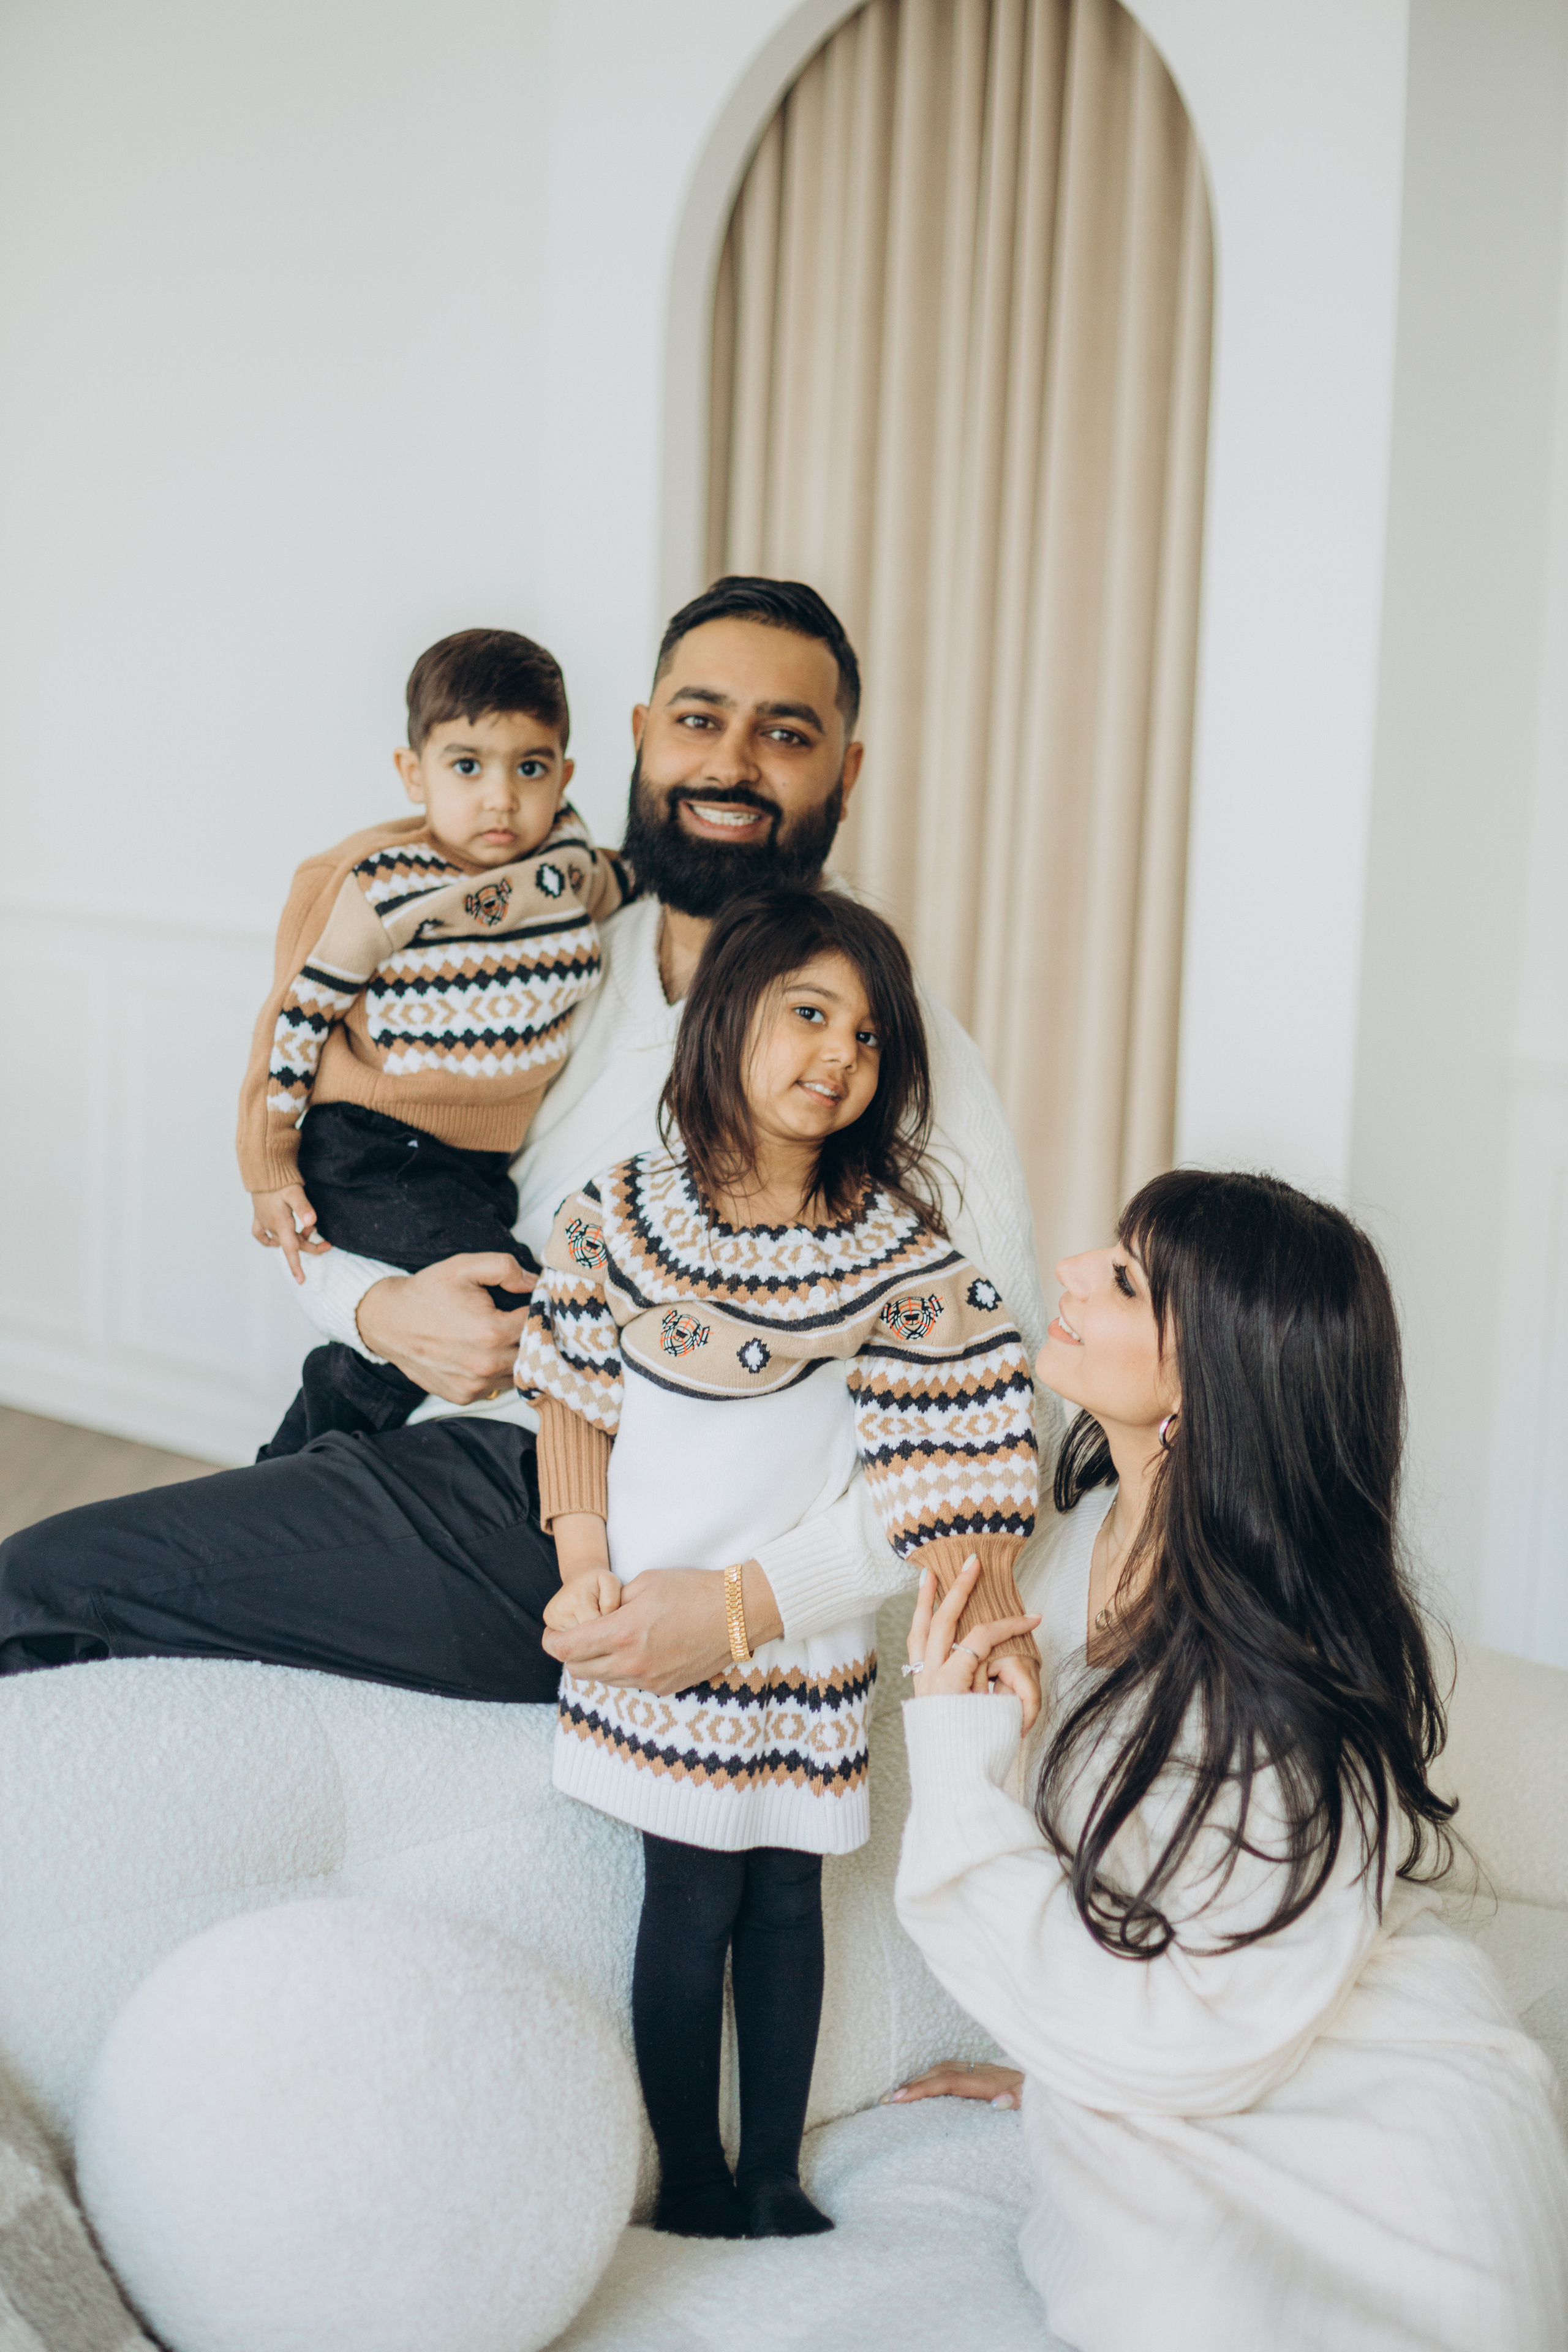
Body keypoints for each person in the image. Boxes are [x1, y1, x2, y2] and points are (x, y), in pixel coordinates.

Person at [0, 578, 1054, 1711]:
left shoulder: (881, 1041)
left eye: (785, 734)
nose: (731, 764)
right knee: (116, 1631)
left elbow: (1008, 1413)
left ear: (845, 774)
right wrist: (377, 1311)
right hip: (423, 1411)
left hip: (582, 1505)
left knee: (40, 1588)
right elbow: (359, 1173)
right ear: (645, 739)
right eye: (699, 720)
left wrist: (746, 1607)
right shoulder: (566, 946)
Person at [884, 1169, 1568, 2352]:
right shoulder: (1072, 1533)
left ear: (1206, 1380)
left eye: (1124, 1279)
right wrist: (1059, 2054)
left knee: (1210, 2301)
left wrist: (954, 1755)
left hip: (1358, 2087)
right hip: (1189, 2043)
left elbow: (1199, 2017)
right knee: (1158, 2265)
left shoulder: (1284, 1689)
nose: (1069, 1274)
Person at [517, 884, 1041, 2242]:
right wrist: (580, 1559)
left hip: (802, 1650)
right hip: (651, 1635)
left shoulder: (900, 1263)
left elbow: (956, 1475)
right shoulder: (618, 1221)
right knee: (687, 1902)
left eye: (867, 1036)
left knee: (786, 1902)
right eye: (809, 1013)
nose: (837, 1055)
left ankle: (772, 2175)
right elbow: (570, 1397)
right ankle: (691, 2175)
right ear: (724, 1018)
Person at [238, 627, 628, 1456]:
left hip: (473, 1168)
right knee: (511, 1302)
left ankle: (305, 1477)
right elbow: (292, 1021)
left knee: (447, 1328)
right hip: (374, 1151)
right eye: (466, 766)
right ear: (413, 773)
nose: (500, 798)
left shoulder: (567, 865)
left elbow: (640, 875)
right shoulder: (380, 886)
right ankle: (296, 1462)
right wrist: (267, 1164)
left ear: (563, 773)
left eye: (530, 767)